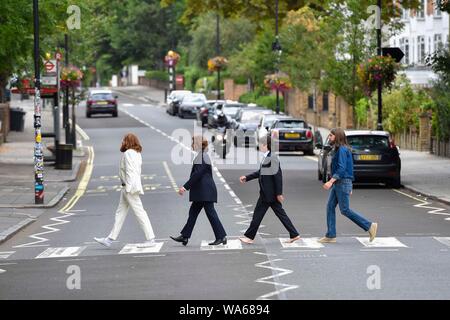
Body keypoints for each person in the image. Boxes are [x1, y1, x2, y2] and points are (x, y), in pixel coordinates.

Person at [94, 133, 156, 248]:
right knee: (120, 213)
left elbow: (131, 171)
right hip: (127, 187)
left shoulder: (128, 153)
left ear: (128, 141)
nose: (122, 142)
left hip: (129, 188)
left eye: (123, 140)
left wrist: (129, 188)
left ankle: (150, 239)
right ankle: (109, 239)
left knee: (140, 213)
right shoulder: (137, 153)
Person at [318, 128, 378, 243]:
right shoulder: (339, 149)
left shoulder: (342, 150)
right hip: (340, 182)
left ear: (337, 137)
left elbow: (342, 168)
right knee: (330, 206)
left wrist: (331, 182)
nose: (329, 137)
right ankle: (331, 235)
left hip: (341, 182)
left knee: (345, 210)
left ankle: (369, 226)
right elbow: (349, 168)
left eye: (331, 135)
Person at [239, 134, 301, 244]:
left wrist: (279, 193)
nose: (259, 146)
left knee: (258, 215)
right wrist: (247, 177)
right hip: (267, 193)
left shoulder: (272, 158)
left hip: (269, 194)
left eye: (260, 144)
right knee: (280, 214)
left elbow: (278, 176)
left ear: (266, 145)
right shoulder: (267, 157)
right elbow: (261, 172)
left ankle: (249, 237)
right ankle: (294, 234)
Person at [170, 136, 227, 246]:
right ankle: (185, 236)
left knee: (211, 214)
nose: (191, 145)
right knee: (193, 213)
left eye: (193, 143)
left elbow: (197, 175)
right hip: (202, 191)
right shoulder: (202, 156)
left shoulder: (202, 157)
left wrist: (185, 187)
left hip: (205, 191)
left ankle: (221, 236)